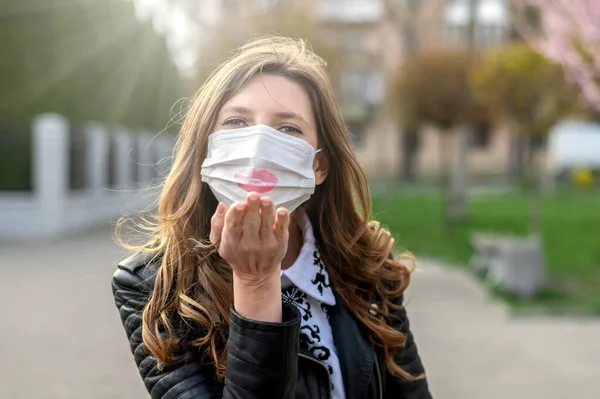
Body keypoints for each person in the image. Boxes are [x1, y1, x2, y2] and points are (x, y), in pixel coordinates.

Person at [112, 36, 432, 399]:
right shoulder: (153, 286)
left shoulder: (368, 266)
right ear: (205, 149)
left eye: (288, 129)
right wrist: (255, 280)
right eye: (236, 121)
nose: (259, 143)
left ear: (319, 166)